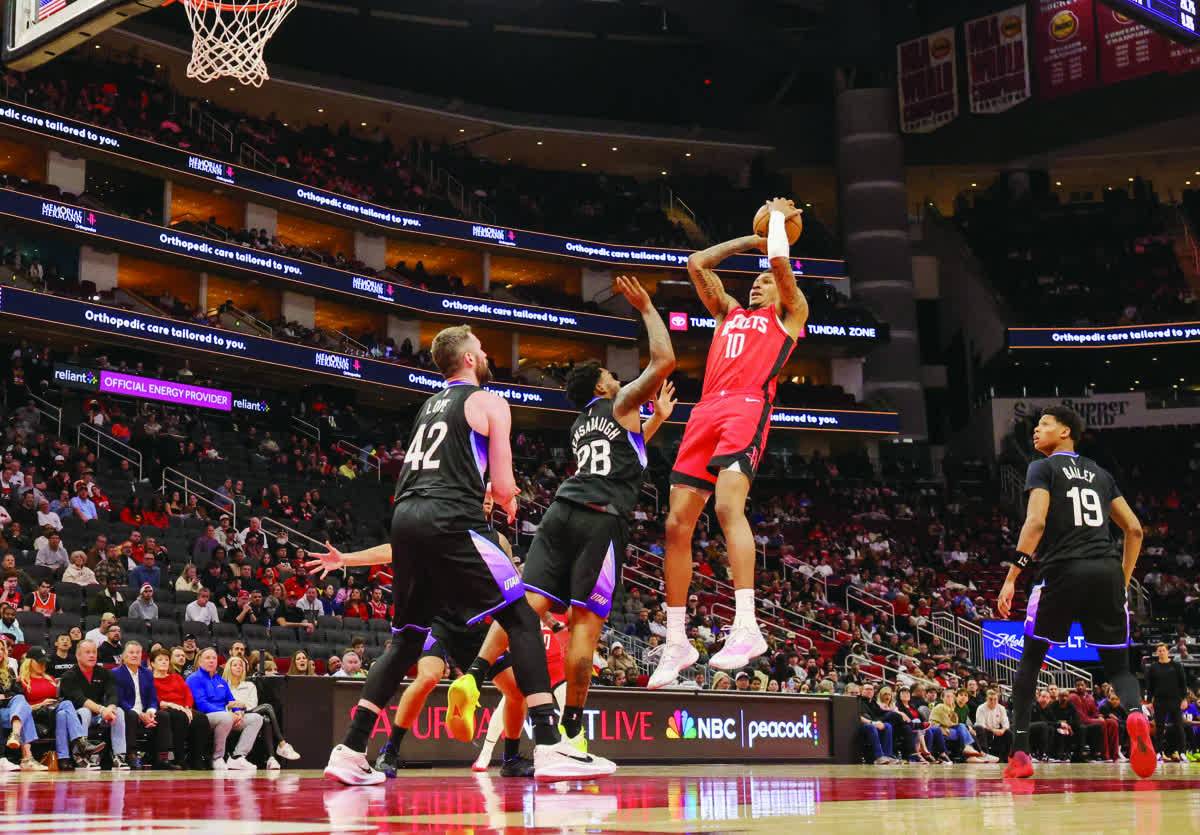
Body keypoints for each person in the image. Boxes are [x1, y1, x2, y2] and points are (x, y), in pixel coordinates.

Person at [308, 324, 605, 784]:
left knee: (405, 640)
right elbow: (504, 485)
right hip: (451, 519)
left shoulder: (428, 406)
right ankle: (548, 744)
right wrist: (507, 499)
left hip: (406, 517)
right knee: (522, 619)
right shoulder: (488, 401)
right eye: (481, 349)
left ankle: (350, 748)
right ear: (468, 359)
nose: (485, 354)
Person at [450, 277, 675, 765]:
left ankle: (471, 673)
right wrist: (648, 308)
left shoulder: (581, 424)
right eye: (611, 376)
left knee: (525, 604)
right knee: (585, 630)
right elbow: (664, 362)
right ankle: (571, 735)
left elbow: (626, 450)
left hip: (560, 512)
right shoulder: (620, 403)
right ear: (601, 385)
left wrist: (654, 422)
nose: (618, 379)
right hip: (601, 520)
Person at [650, 199, 810, 686]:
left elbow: (781, 266)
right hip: (706, 410)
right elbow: (696, 264)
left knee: (725, 508)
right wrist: (751, 239)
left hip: (746, 406)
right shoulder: (729, 313)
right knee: (676, 523)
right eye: (755, 278)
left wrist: (777, 227)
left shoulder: (790, 315)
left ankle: (746, 626)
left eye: (766, 279)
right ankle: (676, 641)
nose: (760, 280)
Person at [997, 407, 1154, 780]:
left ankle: (1020, 753)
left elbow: (1035, 521)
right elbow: (1134, 530)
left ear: (1066, 431)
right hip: (1105, 571)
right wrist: (1121, 577)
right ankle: (1134, 713)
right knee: (1118, 666)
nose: (1036, 431)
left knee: (1031, 660)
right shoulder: (1101, 475)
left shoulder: (1043, 467)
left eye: (1044, 424)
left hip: (1063, 570)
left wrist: (1012, 575)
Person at [19, 646, 105, 770]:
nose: (43, 665)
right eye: (40, 662)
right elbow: (19, 708)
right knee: (67, 704)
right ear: (30, 662)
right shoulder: (21, 681)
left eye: (45, 662)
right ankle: (81, 742)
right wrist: (41, 704)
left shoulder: (51, 679)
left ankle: (63, 759)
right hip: (36, 716)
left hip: (53, 713)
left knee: (63, 713)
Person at [186, 647, 262, 771]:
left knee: (256, 718)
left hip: (225, 717)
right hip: (204, 717)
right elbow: (202, 704)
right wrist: (227, 713)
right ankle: (217, 757)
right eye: (207, 658)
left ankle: (238, 756)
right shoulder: (194, 678)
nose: (211, 661)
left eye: (214, 658)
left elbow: (231, 701)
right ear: (200, 661)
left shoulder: (221, 680)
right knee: (226, 717)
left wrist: (237, 712)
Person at [59, 640, 131, 770]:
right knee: (85, 711)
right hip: (76, 715)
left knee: (119, 711)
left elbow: (113, 694)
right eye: (87, 652)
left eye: (94, 652)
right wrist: (103, 710)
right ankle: (81, 756)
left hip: (100, 715)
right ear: (78, 656)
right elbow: (81, 699)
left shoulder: (104, 673)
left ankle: (119, 756)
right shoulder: (68, 676)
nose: (92, 655)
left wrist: (110, 708)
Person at [221, 655, 299, 770]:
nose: (238, 667)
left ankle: (270, 758)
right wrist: (237, 706)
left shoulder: (249, 685)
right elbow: (223, 704)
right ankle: (282, 744)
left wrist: (240, 707)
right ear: (229, 668)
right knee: (267, 708)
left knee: (265, 718)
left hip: (247, 715)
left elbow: (252, 705)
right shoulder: (223, 685)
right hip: (229, 717)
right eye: (235, 665)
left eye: (241, 666)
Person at [149, 647, 210, 769]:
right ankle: (179, 758)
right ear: (152, 663)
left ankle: (197, 759)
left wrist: (187, 707)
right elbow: (153, 698)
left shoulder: (176, 677)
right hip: (165, 708)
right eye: (160, 660)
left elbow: (188, 694)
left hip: (183, 708)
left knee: (201, 718)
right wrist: (171, 705)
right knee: (180, 717)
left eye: (166, 659)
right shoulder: (150, 680)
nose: (164, 662)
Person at [113, 641, 160, 769]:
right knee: (131, 715)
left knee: (164, 716)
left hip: (145, 710)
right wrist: (140, 714)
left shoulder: (147, 673)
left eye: (138, 652)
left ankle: (160, 757)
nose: (135, 655)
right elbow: (119, 699)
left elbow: (153, 697)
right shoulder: (116, 673)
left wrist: (151, 711)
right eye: (131, 652)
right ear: (124, 656)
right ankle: (131, 754)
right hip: (128, 710)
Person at [1145, 642, 1188, 762]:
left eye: (1163, 650)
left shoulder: (1176, 666)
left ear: (1167, 651)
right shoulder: (1153, 667)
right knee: (1159, 727)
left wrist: (1184, 698)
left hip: (1175, 700)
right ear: (1156, 652)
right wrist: (1149, 701)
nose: (1161, 652)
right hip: (1159, 701)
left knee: (1179, 726)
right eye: (1159, 651)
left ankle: (1182, 752)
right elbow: (1150, 686)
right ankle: (1158, 752)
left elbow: (1182, 684)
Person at [1069, 678, 1118, 761]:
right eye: (1078, 685)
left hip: (1090, 721)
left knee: (1112, 723)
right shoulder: (1073, 697)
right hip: (1080, 723)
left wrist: (1099, 716)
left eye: (1082, 685)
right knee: (1102, 723)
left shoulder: (1090, 697)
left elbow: (1095, 713)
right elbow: (1081, 717)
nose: (1080, 687)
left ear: (1086, 686)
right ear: (1075, 687)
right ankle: (1104, 755)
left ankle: (1114, 755)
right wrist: (1098, 720)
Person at [973, 688, 1012, 762]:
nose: (993, 701)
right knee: (979, 728)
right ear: (986, 699)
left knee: (1008, 733)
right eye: (990, 699)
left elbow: (1006, 723)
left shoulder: (1001, 708)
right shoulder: (981, 708)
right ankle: (985, 755)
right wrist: (993, 730)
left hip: (997, 731)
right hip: (985, 731)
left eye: (995, 699)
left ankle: (1005, 757)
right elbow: (981, 724)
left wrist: (1002, 730)